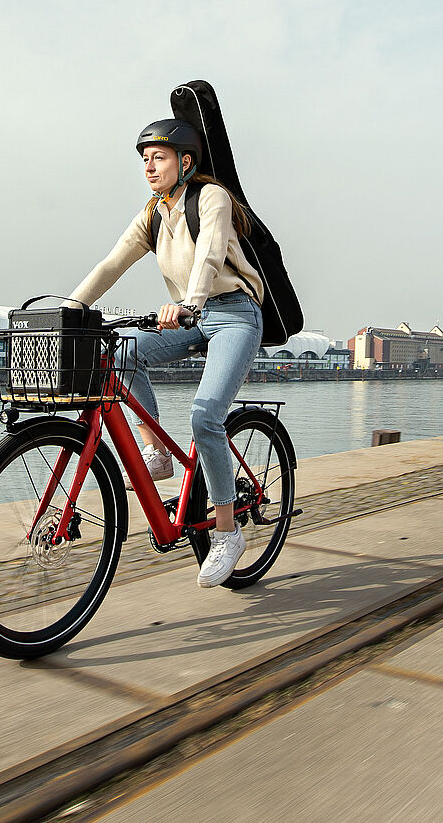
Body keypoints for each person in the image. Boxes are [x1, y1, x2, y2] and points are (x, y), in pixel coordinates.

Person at [67, 118, 264, 588]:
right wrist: (71, 308)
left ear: (185, 161)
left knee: (205, 417)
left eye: (158, 157)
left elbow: (210, 255)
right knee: (118, 352)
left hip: (234, 313)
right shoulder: (153, 212)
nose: (149, 167)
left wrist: (190, 303)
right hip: (188, 315)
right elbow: (113, 261)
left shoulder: (210, 198)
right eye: (144, 160)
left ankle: (227, 531)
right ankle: (157, 452)